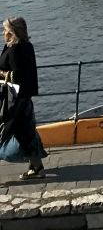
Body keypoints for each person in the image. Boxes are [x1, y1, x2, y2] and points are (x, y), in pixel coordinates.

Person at [0, 16, 47, 181]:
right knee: (26, 133)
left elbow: (16, 76)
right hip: (24, 97)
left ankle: (37, 167)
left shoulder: (14, 50)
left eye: (5, 30)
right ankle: (37, 167)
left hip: (12, 100)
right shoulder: (27, 46)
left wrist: (1, 73)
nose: (3, 32)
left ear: (13, 32)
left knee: (5, 132)